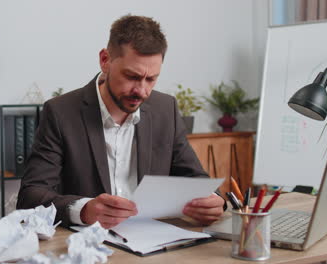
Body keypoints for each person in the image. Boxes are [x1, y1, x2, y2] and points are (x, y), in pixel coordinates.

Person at [17, 15, 225, 228]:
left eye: (151, 79)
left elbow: (196, 180)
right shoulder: (61, 112)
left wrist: (214, 200)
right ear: (105, 60)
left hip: (154, 241)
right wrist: (84, 210)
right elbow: (30, 197)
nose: (142, 91)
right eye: (132, 76)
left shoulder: (166, 109)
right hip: (88, 246)